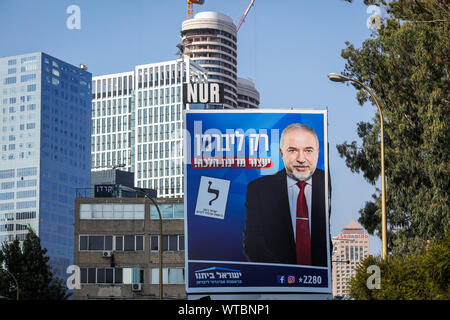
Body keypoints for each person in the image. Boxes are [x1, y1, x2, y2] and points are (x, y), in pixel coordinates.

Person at [243, 123, 328, 266]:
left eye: (308, 150)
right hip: (276, 283)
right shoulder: (259, 189)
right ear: (282, 153)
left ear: (317, 152)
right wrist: (287, 276)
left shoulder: (325, 182)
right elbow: (253, 245)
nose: (301, 158)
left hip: (318, 284)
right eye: (293, 150)